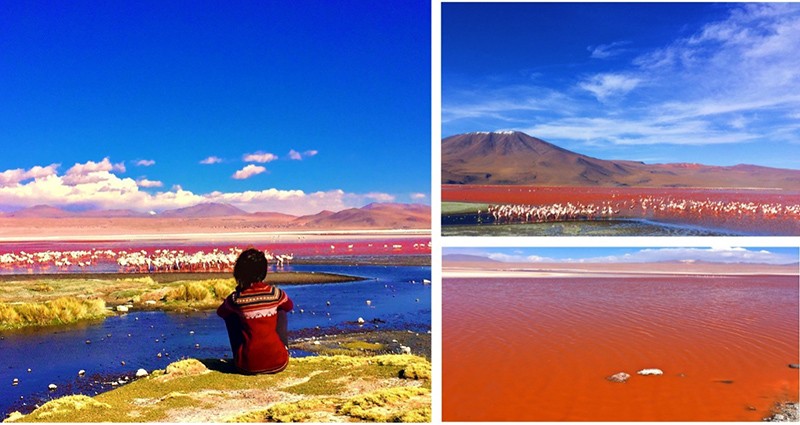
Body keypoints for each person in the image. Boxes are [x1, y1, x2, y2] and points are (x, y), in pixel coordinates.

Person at [217, 248, 293, 374]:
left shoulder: (236, 298)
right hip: (279, 363)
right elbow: (289, 306)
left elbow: (221, 312)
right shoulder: (275, 293)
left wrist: (240, 303)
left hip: (246, 366)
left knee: (231, 315)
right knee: (281, 309)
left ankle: (239, 354)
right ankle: (283, 348)